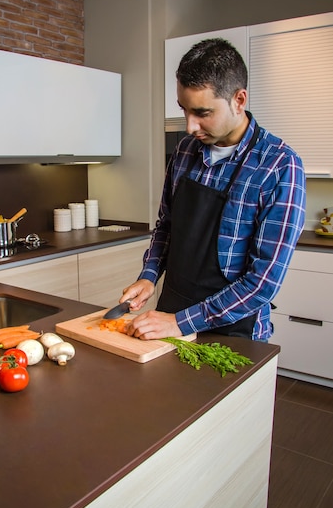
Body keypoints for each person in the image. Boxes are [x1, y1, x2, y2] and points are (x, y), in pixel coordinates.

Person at [121, 37, 306, 341]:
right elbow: (167, 227)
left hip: (234, 333)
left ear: (239, 100)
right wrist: (149, 275)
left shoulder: (280, 166)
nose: (190, 126)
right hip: (170, 319)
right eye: (184, 109)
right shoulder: (184, 152)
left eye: (203, 113)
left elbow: (263, 282)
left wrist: (181, 323)